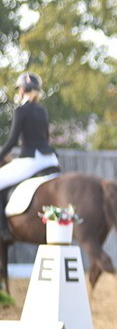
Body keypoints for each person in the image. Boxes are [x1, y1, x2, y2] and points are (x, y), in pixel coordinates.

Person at [0, 73, 60, 240]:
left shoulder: (21, 110)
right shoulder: (42, 110)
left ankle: (3, 230)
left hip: (32, 161)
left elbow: (12, 141)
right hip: (49, 159)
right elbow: (46, 138)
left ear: (21, 90)